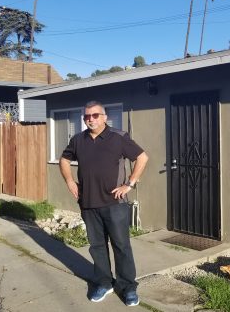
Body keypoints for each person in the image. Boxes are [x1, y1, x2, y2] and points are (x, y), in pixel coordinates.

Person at [59, 100, 149, 307]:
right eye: (87, 116)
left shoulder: (118, 137)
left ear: (105, 117)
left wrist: (129, 184)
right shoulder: (78, 140)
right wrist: (70, 181)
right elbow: (64, 160)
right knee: (97, 247)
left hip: (114, 203)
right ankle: (104, 283)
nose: (90, 119)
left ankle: (128, 288)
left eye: (95, 115)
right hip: (88, 204)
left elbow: (142, 158)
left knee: (121, 246)